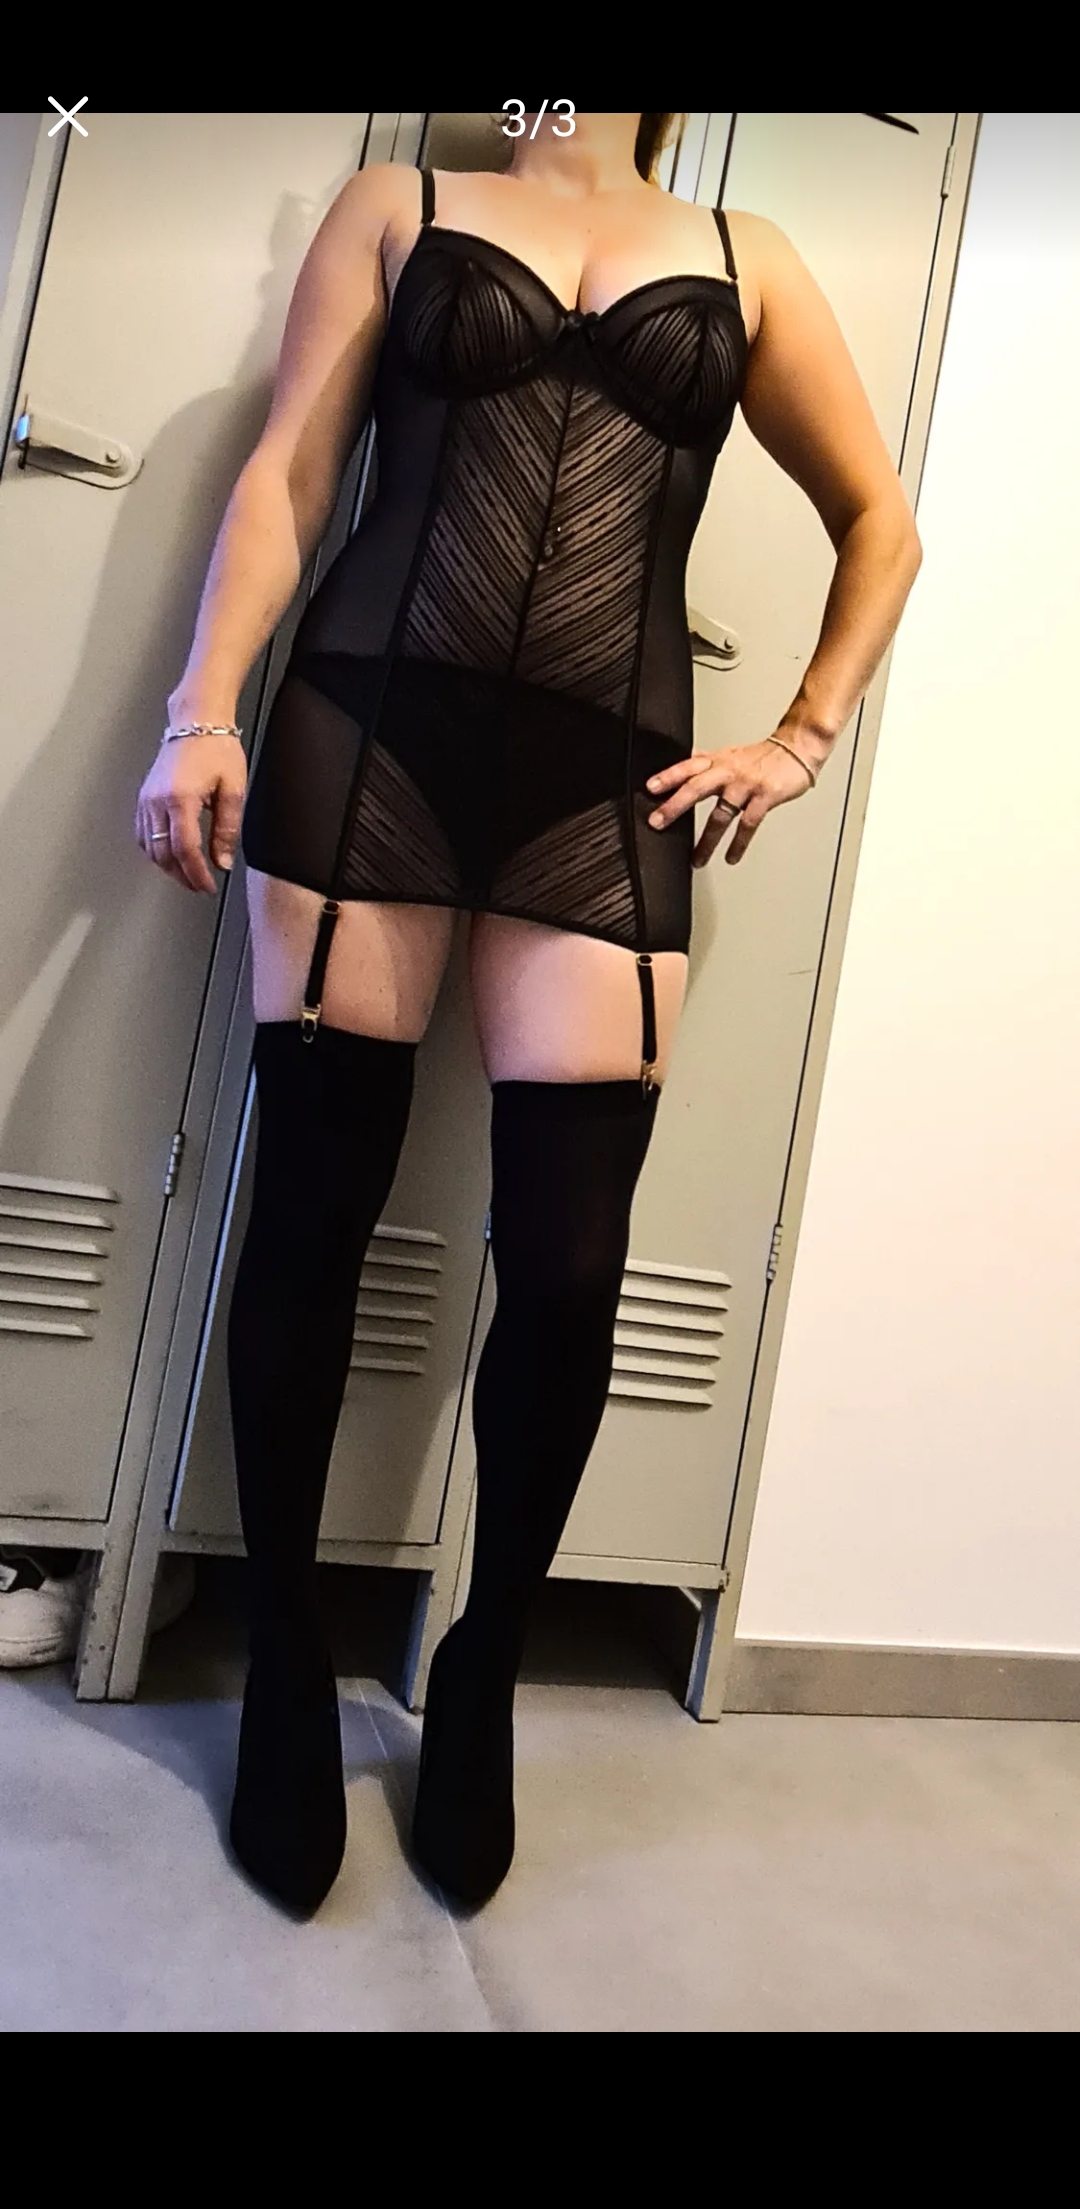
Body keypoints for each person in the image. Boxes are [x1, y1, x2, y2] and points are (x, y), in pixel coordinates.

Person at [133, 112, 921, 1917]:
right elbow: (289, 471)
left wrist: (803, 735)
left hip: (607, 789)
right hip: (364, 732)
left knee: (568, 1269)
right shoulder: (398, 201)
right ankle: (282, 1662)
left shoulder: (749, 260)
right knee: (313, 1216)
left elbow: (881, 521)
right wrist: (202, 707)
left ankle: (482, 1659)